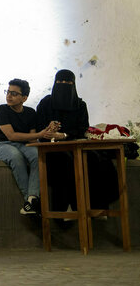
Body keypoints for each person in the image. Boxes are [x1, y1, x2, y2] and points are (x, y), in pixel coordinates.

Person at [36, 69, 119, 213]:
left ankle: (97, 206)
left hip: (75, 146)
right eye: (59, 81)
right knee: (65, 162)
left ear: (73, 84)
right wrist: (48, 130)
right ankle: (68, 207)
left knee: (97, 159)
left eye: (67, 82)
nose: (63, 85)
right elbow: (38, 127)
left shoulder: (80, 105)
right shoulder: (45, 103)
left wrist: (64, 135)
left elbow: (82, 129)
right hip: (51, 150)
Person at [0, 79, 53, 215]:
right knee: (15, 156)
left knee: (38, 155)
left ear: (24, 98)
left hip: (25, 145)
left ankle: (31, 198)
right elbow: (11, 136)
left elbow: (32, 138)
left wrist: (45, 133)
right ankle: (30, 201)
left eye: (14, 93)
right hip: (2, 145)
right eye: (8, 92)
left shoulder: (31, 113)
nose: (9, 96)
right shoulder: (2, 110)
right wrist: (39, 134)